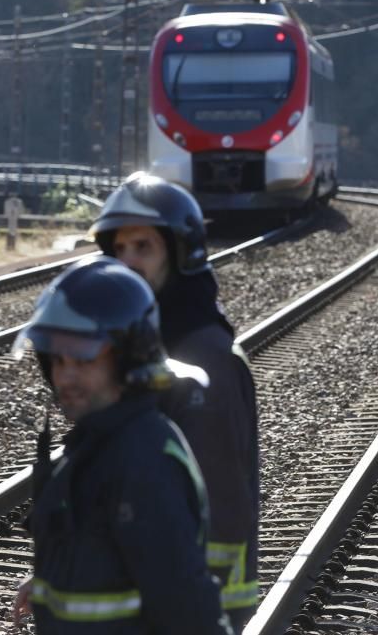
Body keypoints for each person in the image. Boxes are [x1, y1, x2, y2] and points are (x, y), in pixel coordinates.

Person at [9, 256, 233, 635]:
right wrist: (58, 581)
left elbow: (190, 611)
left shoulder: (144, 462)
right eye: (56, 359)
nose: (65, 376)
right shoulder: (96, 443)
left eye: (83, 357)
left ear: (128, 358)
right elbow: (109, 558)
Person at [89, 173, 260, 629]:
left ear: (182, 253)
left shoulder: (206, 359)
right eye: (118, 250)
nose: (127, 263)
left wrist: (177, 602)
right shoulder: (138, 344)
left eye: (143, 248)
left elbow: (219, 512)